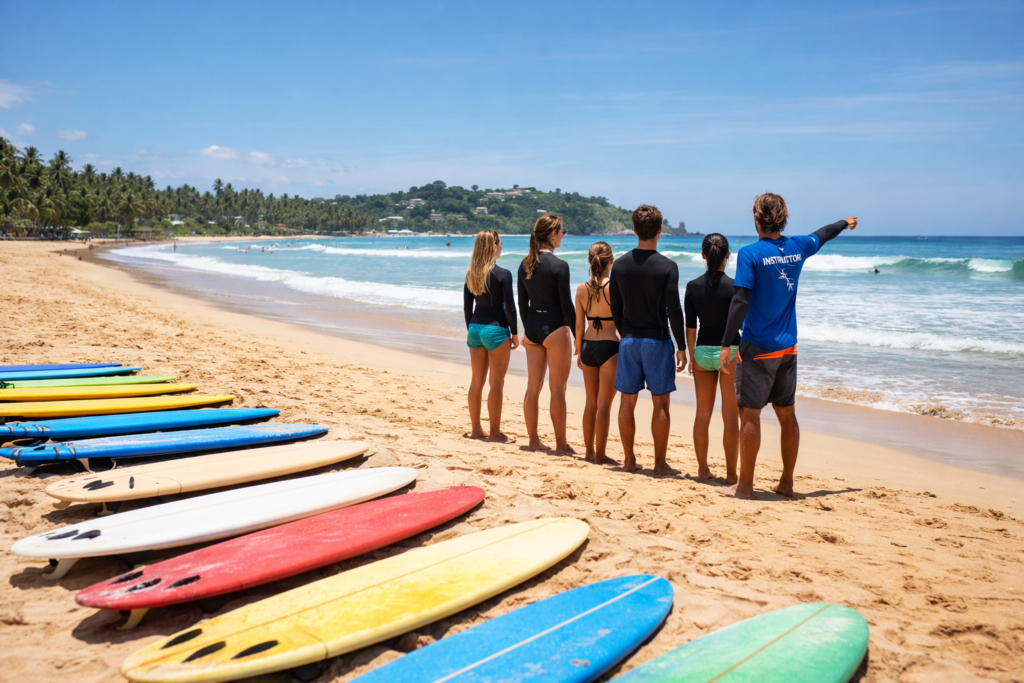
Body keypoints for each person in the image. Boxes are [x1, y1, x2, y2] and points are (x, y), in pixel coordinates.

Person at [718, 193, 858, 500]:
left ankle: (744, 487)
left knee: (750, 415)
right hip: (788, 348)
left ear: (756, 219)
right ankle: (786, 483)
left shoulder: (751, 254)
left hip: (758, 348)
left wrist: (727, 342)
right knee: (787, 414)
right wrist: (844, 222)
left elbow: (740, 300)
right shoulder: (798, 247)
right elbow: (824, 233)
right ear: (784, 218)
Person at [609, 205, 686, 474]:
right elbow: (674, 310)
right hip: (657, 341)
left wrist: (625, 332)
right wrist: (682, 347)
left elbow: (615, 308)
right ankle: (659, 464)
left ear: (634, 230)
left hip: (629, 340)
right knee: (660, 402)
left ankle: (629, 461)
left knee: (626, 401)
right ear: (660, 231)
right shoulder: (668, 267)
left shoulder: (619, 265)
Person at [518, 214, 579, 454]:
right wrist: (578, 336)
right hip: (555, 327)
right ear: (552, 235)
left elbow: (522, 304)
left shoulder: (525, 264)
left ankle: (533, 441)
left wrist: (528, 330)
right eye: (562, 232)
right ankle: (561, 445)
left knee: (533, 387)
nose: (563, 235)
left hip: (533, 326)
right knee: (557, 389)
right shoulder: (560, 266)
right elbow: (566, 306)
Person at [684, 233, 740, 484]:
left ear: (703, 255)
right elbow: (742, 324)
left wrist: (691, 355)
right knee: (730, 416)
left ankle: (703, 470)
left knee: (702, 415)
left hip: (703, 352)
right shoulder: (735, 286)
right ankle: (730, 475)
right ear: (728, 255)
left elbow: (690, 327)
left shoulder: (693, 286)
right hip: (730, 352)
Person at [464, 230, 519, 442]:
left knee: (476, 382)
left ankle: (476, 430)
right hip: (496, 330)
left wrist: (472, 331)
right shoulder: (503, 273)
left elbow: (467, 308)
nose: (502, 247)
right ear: (493, 247)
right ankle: (495, 433)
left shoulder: (471, 273)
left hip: (475, 329)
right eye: (500, 243)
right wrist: (514, 333)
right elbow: (510, 309)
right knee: (496, 383)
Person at [574, 241, 619, 465]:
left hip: (588, 347)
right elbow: (621, 322)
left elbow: (579, 326)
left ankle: (589, 452)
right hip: (610, 347)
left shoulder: (581, 288)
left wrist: (578, 350)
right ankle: (600, 455)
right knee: (604, 405)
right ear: (611, 261)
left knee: (590, 402)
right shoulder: (614, 286)